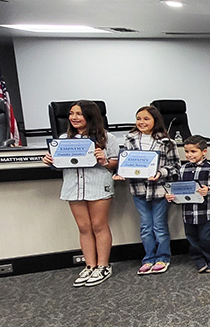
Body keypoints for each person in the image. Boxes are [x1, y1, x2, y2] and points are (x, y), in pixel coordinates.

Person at [42, 100, 118, 287]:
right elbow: (61, 164)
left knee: (99, 225)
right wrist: (50, 160)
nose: (73, 117)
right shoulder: (63, 139)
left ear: (90, 116)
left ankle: (103, 266)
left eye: (78, 114)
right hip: (74, 186)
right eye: (71, 114)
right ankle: (90, 265)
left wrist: (104, 160)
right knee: (84, 227)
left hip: (98, 185)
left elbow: (114, 163)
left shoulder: (107, 137)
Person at [114, 105, 179, 276]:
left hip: (159, 191)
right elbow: (126, 163)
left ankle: (163, 257)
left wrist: (160, 173)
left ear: (155, 121)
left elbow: (175, 167)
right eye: (138, 118)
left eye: (146, 119)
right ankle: (149, 258)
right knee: (145, 227)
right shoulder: (130, 140)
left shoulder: (168, 142)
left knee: (159, 226)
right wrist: (120, 173)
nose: (141, 122)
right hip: (139, 190)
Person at [166, 135, 210, 273]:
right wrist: (171, 196)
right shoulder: (182, 169)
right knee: (192, 238)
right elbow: (177, 188)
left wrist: (209, 190)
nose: (189, 155)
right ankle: (198, 259)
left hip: (206, 212)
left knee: (206, 238)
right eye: (187, 152)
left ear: (204, 151)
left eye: (193, 151)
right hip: (188, 213)